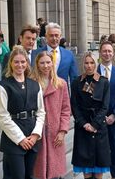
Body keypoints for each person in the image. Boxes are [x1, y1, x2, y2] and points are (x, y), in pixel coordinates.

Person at [0, 45, 46, 179]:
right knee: (16, 176)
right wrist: (20, 139)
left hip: (32, 136)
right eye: (16, 62)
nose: (20, 65)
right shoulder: (3, 86)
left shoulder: (35, 85)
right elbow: (2, 117)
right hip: (13, 139)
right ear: (11, 63)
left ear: (27, 63)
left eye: (23, 62)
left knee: (30, 175)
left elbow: (41, 112)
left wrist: (35, 135)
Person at [70, 52, 111, 179]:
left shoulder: (103, 82)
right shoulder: (76, 82)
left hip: (99, 127)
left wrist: (94, 125)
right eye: (86, 63)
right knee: (86, 169)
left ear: (96, 63)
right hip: (83, 128)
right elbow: (75, 106)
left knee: (99, 168)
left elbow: (105, 106)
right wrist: (84, 124)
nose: (89, 66)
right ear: (82, 64)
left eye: (92, 62)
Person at [31, 51, 71, 179]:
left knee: (54, 171)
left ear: (52, 63)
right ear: (37, 64)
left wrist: (63, 131)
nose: (45, 66)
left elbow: (66, 110)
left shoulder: (61, 84)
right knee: (38, 169)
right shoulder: (31, 83)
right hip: (36, 132)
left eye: (48, 62)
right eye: (42, 63)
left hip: (55, 132)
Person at [97, 41, 115, 179]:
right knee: (97, 148)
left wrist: (114, 114)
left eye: (109, 51)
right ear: (100, 53)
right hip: (97, 119)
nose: (107, 53)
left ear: (113, 53)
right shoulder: (93, 72)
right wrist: (99, 117)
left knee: (114, 148)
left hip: (114, 118)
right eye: (104, 51)